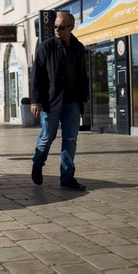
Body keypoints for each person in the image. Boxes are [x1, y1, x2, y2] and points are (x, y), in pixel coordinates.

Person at [29, 11, 89, 190]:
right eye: (55, 26)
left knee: (70, 139)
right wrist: (35, 100)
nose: (56, 30)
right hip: (50, 102)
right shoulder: (46, 46)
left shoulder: (78, 48)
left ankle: (67, 177)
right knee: (47, 136)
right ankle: (38, 163)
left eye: (61, 27)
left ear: (71, 28)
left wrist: (83, 101)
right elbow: (36, 75)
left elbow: (82, 77)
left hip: (72, 102)